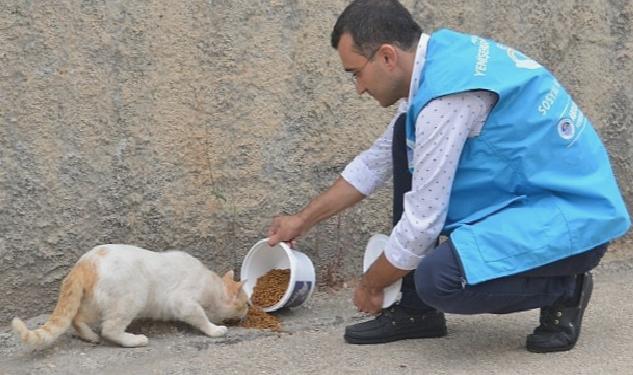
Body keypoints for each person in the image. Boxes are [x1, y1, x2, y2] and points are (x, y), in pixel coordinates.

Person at [266, 0, 631, 353]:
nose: (358, 87)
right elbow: (373, 164)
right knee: (400, 140)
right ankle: (415, 312)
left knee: (439, 279)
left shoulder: (445, 102)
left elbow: (422, 227)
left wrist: (372, 284)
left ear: (388, 56)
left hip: (575, 221)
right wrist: (302, 220)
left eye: (356, 72)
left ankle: (566, 288)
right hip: (532, 197)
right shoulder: (438, 61)